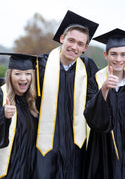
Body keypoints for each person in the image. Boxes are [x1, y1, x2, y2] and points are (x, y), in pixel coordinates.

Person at [34, 10, 99, 179]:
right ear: (62, 39)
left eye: (80, 44)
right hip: (45, 144)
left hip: (74, 145)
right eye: (71, 40)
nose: (74, 47)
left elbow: (109, 83)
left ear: (85, 48)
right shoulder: (40, 65)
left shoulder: (88, 68)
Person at [84, 28, 125, 179]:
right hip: (102, 148)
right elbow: (91, 118)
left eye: (123, 54)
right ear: (106, 55)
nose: (119, 59)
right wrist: (104, 89)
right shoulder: (95, 80)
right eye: (114, 54)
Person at [0, 53, 39, 179]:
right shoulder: (1, 95)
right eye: (18, 73)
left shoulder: (32, 102)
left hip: (27, 169)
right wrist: (3, 115)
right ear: (10, 75)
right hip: (7, 170)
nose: (23, 78)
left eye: (28, 74)